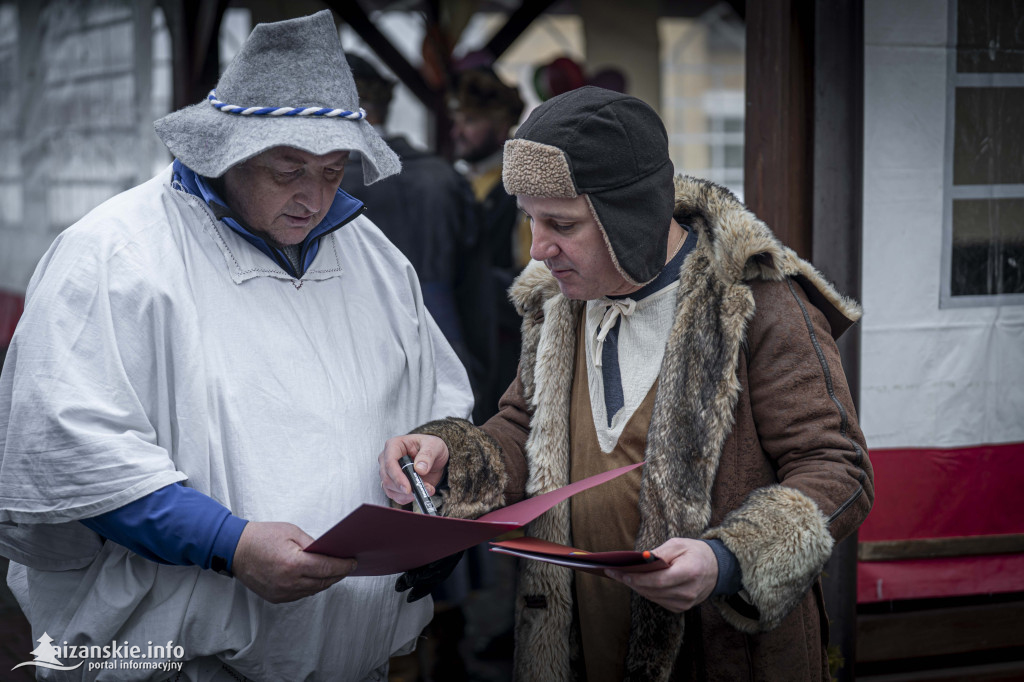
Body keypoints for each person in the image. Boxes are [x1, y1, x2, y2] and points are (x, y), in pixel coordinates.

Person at [0, 11, 472, 682]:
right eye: (289, 171)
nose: (313, 198)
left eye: (334, 172)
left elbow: (431, 399)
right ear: (224, 149)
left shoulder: (374, 257)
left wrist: (436, 488)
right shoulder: (115, 254)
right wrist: (232, 545)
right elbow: (70, 449)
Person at [380, 86, 874, 681]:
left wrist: (726, 560)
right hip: (581, 649)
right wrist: (450, 458)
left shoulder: (758, 303)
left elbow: (838, 469)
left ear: (630, 218)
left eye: (561, 223)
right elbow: (525, 427)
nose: (539, 249)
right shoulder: (557, 302)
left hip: (724, 655)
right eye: (531, 220)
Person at [341, 55, 494, 426]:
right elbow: (476, 291)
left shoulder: (325, 183)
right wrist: (483, 374)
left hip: (355, 350)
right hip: (446, 346)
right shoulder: (442, 177)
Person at [449, 67, 528, 422]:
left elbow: (530, 271)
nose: (458, 130)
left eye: (471, 120)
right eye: (457, 119)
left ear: (499, 127)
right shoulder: (458, 183)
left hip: (504, 340)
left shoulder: (519, 190)